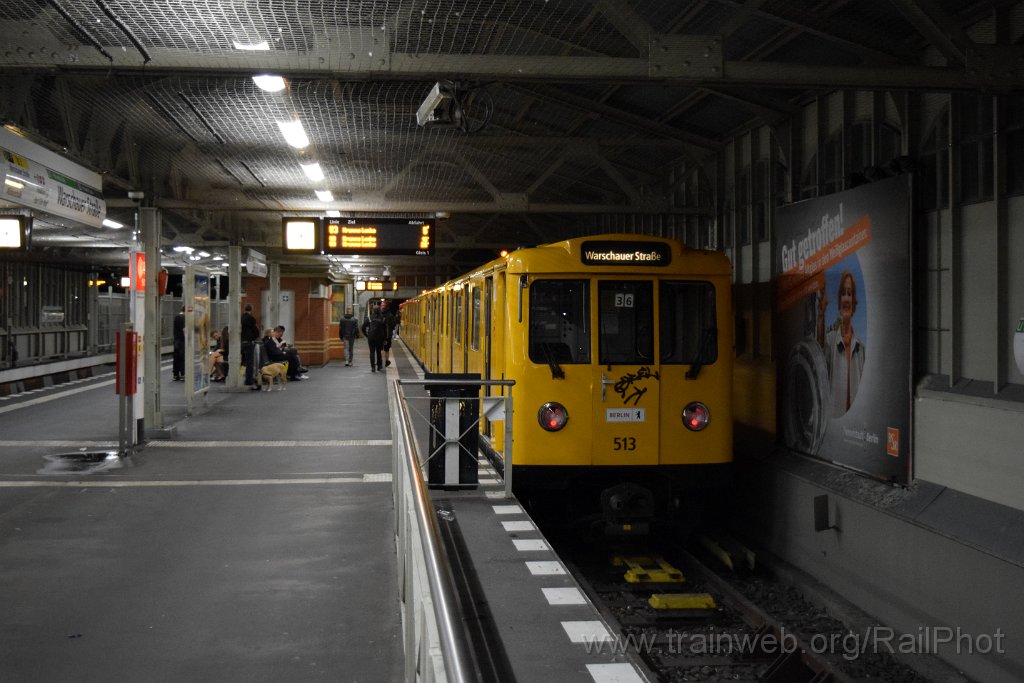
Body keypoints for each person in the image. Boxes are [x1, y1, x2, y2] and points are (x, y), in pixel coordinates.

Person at [818, 270, 865, 415]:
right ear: (839, 302)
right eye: (843, 293)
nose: (846, 298)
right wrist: (821, 315)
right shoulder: (831, 340)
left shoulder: (861, 349)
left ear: (854, 303)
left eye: (849, 294)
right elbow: (819, 354)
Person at [241, 303, 261, 388]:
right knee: (250, 362)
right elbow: (255, 330)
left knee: (243, 361)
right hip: (249, 342)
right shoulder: (251, 318)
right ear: (251, 309)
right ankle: (248, 380)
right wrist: (256, 336)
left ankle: (241, 376)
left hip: (241, 342)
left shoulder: (240, 318)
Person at [362, 308, 387, 372]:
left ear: (373, 311)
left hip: (371, 337)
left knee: (372, 352)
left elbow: (363, 327)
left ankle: (373, 367)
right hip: (380, 338)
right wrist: (385, 339)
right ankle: (379, 366)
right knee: (379, 352)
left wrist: (367, 335)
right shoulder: (382, 318)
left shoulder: (370, 318)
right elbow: (385, 329)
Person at [381, 301, 397, 368]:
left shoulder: (379, 314)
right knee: (386, 349)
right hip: (388, 335)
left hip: (379, 335)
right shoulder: (390, 315)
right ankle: (386, 361)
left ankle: (380, 361)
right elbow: (394, 324)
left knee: (379, 348)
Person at [172, 307, 185, 381]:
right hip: (182, 341)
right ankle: (183, 373)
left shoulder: (176, 317)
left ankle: (175, 374)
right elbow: (184, 330)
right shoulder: (184, 318)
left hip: (176, 340)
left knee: (176, 357)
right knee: (182, 357)